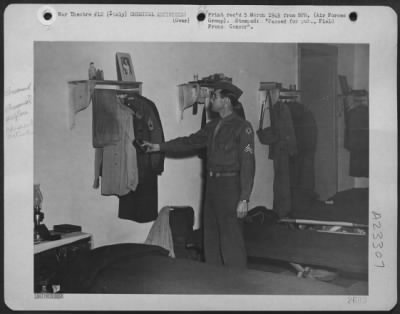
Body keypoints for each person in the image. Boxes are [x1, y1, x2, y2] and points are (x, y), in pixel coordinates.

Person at [142, 81, 255, 269]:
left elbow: (248, 163)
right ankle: (214, 282)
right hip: (212, 187)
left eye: (214, 97)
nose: (210, 100)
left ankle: (237, 285)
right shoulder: (213, 126)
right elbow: (189, 142)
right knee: (211, 238)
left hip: (230, 187)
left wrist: (244, 198)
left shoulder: (243, 127)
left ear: (226, 101)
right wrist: (157, 146)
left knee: (231, 240)